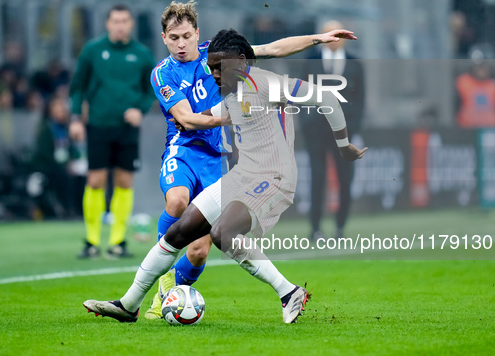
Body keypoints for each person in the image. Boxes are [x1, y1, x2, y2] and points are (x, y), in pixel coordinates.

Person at [83, 29, 367, 324]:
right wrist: (191, 123)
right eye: (211, 68)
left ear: (242, 61)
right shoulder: (233, 89)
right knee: (180, 231)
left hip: (275, 178)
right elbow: (220, 110)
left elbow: (327, 99)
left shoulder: (269, 84)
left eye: (219, 68)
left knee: (222, 234)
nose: (214, 74)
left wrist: (344, 146)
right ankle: (129, 305)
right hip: (242, 176)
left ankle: (288, 291)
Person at [143, 1, 358, 319]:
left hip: (221, 155)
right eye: (174, 37)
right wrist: (235, 115)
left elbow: (272, 48)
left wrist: (317, 38)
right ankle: (161, 290)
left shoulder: (214, 53)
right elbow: (186, 120)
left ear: (196, 33)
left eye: (186, 36)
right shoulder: (163, 73)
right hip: (186, 148)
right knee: (177, 201)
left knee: (201, 249)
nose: (181, 43)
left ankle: (177, 293)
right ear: (164, 38)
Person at [69, 4, 157, 259]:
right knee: (95, 180)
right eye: (116, 21)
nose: (120, 26)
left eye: (125, 21)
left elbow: (152, 87)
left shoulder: (141, 54)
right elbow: (78, 87)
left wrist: (140, 109)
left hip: (127, 128)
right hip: (98, 124)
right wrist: (76, 118)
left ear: (131, 24)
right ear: (107, 24)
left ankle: (117, 242)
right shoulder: (93, 51)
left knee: (124, 181)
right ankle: (91, 241)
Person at [300, 20, 365, 240]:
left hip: (343, 132)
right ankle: (315, 227)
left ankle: (340, 227)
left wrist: (351, 129)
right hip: (316, 131)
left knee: (345, 178)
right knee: (317, 178)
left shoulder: (355, 64)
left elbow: (360, 100)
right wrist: (306, 123)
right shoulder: (310, 62)